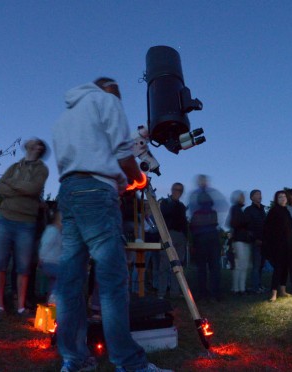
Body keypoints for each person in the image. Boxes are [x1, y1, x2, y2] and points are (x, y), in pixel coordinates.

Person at [52, 77, 169, 372]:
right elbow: (121, 153)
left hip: (68, 192)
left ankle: (74, 359)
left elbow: (87, 156)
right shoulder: (107, 101)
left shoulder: (65, 117)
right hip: (96, 192)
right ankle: (129, 364)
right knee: (112, 280)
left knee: (70, 280)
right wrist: (138, 179)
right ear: (111, 90)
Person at [0, 138, 49, 319]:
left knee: (23, 267)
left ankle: (21, 307)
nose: (29, 142)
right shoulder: (15, 167)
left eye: (35, 141)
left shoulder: (42, 169)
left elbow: (33, 188)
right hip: (5, 219)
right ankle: (0, 306)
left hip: (26, 222)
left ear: (38, 148)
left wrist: (12, 186)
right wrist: (19, 188)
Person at [188, 174, 226, 302]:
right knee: (210, 266)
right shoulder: (201, 201)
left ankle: (207, 293)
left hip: (204, 236)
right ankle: (209, 293)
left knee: (206, 267)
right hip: (206, 236)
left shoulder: (200, 204)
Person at [264, 190, 292, 301]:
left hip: (289, 244)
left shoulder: (286, 211)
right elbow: (268, 229)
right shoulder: (274, 211)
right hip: (278, 245)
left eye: (284, 196)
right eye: (280, 197)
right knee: (278, 268)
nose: (283, 198)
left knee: (285, 268)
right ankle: (273, 293)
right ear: (276, 199)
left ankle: (283, 291)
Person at [158, 182, 188, 299]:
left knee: (178, 265)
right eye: (176, 189)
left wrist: (185, 237)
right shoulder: (165, 202)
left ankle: (175, 292)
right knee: (164, 264)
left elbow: (184, 222)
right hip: (168, 234)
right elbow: (164, 215)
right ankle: (161, 293)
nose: (178, 192)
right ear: (172, 189)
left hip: (180, 236)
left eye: (180, 190)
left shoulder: (181, 206)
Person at [228, 190, 252, 295]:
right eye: (241, 197)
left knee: (243, 265)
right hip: (239, 240)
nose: (243, 198)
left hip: (243, 240)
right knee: (240, 265)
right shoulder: (235, 209)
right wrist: (246, 221)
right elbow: (235, 223)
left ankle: (240, 288)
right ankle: (237, 289)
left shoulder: (239, 210)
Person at [39, 201, 62, 306]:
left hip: (55, 262)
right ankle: (54, 297)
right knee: (62, 275)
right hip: (49, 262)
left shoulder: (59, 233)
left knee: (54, 282)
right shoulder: (52, 230)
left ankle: (50, 301)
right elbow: (45, 244)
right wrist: (41, 257)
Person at [244, 189, 267, 294]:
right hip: (255, 242)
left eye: (260, 194)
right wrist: (255, 239)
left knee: (261, 265)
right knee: (256, 265)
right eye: (257, 194)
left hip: (264, 241)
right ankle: (255, 287)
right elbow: (248, 227)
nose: (260, 196)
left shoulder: (263, 209)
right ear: (252, 197)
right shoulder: (248, 210)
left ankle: (259, 284)